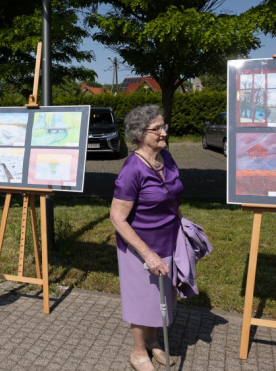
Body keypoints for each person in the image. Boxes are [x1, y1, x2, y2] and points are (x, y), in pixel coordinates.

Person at [110, 105, 182, 371]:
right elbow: (117, 218)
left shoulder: (168, 158)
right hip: (139, 247)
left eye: (164, 126)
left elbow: (173, 196)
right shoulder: (132, 170)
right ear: (140, 135)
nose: (164, 132)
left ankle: (153, 342)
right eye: (157, 129)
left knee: (160, 298)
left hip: (169, 240)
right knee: (143, 300)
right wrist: (148, 254)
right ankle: (138, 353)